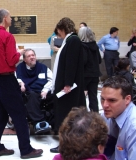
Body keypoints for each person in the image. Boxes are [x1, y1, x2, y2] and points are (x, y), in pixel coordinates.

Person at [0, 9, 43, 159]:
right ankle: (26, 149)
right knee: (19, 114)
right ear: (5, 18)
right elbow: (11, 60)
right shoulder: (7, 36)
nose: (11, 19)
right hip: (6, 80)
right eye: (10, 17)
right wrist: (20, 53)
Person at [50, 17, 86, 153]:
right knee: (63, 114)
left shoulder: (73, 40)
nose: (59, 35)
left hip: (69, 88)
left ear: (62, 29)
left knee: (66, 115)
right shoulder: (70, 40)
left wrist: (68, 83)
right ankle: (65, 143)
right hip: (67, 86)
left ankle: (65, 145)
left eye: (59, 32)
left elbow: (71, 64)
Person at [101, 76, 136, 159]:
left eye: (112, 100)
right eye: (102, 99)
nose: (105, 105)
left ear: (127, 99)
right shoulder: (106, 116)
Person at [16, 48, 53, 134]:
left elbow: (51, 80)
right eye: (29, 56)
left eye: (33, 55)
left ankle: (53, 122)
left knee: (55, 97)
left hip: (43, 91)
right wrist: (21, 83)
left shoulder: (43, 67)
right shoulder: (20, 68)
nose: (32, 57)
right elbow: (16, 78)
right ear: (24, 60)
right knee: (32, 96)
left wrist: (45, 90)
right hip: (29, 92)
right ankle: (38, 122)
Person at [78, 27, 102, 112]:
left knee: (81, 97)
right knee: (93, 97)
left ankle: (82, 116)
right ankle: (95, 116)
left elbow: (83, 61)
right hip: (95, 74)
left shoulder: (82, 46)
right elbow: (99, 60)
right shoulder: (95, 45)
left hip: (85, 75)